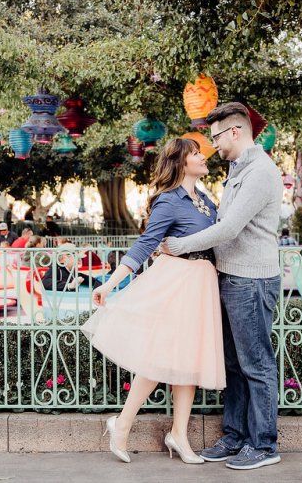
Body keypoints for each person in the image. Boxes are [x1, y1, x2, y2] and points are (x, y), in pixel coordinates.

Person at [162, 103, 284, 470]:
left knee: (256, 364)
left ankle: (263, 445)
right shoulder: (236, 170)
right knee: (233, 364)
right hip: (231, 277)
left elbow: (229, 227)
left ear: (235, 131)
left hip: (252, 280)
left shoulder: (260, 171)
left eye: (215, 137)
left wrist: (180, 246)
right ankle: (234, 437)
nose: (212, 146)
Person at [83, 138, 220, 465]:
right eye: (197, 153)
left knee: (190, 363)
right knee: (160, 358)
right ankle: (122, 423)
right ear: (182, 161)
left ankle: (180, 436)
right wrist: (110, 284)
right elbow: (145, 245)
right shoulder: (168, 201)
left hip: (203, 285)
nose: (204, 156)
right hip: (177, 283)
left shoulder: (206, 200)